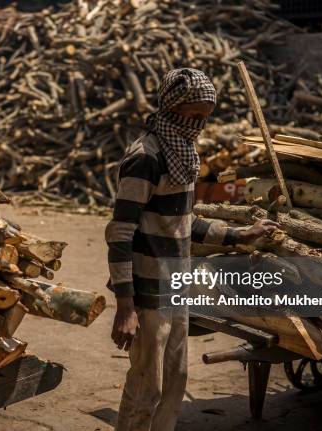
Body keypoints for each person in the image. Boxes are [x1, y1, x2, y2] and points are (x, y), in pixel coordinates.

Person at [105, 68, 279, 431]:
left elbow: (186, 223)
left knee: (175, 378)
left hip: (176, 288)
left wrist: (239, 234)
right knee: (146, 385)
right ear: (172, 108)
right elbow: (119, 233)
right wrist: (125, 306)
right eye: (195, 116)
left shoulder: (181, 152)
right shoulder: (145, 157)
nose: (199, 125)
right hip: (149, 293)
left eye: (206, 117)